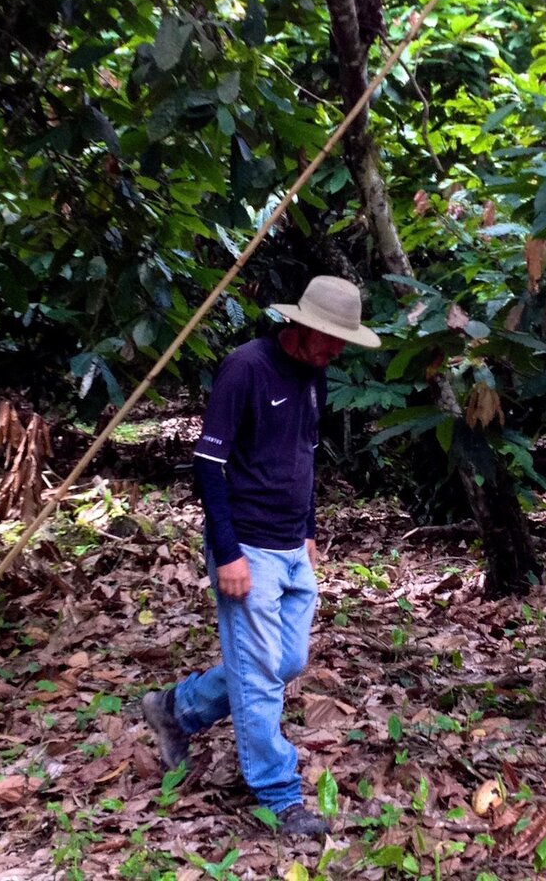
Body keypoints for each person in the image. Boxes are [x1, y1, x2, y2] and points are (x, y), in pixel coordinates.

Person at [142, 276, 380, 836]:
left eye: (344, 340)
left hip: (291, 545)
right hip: (246, 546)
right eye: (330, 337)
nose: (336, 350)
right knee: (262, 675)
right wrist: (227, 553)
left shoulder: (314, 378)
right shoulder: (246, 367)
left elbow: (305, 455)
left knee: (284, 662)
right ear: (300, 324)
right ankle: (280, 795)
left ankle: (177, 710)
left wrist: (308, 529)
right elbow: (209, 463)